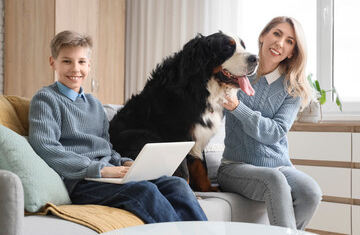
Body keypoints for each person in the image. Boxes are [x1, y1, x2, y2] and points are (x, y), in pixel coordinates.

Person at [28, 30, 207, 223]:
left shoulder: (94, 104)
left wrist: (125, 163)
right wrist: (99, 169)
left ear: (89, 65)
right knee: (144, 191)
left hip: (107, 174)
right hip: (80, 182)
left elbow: (106, 149)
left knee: (177, 184)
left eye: (81, 61)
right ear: (52, 62)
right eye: (66, 61)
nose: (75, 69)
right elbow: (46, 148)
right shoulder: (45, 99)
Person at [217, 16, 322, 230]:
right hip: (235, 166)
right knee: (274, 180)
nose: (280, 43)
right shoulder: (236, 72)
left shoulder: (292, 89)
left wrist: (238, 107)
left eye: (289, 41)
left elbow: (275, 132)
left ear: (292, 52)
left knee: (311, 192)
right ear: (263, 36)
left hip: (280, 165)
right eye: (277, 34)